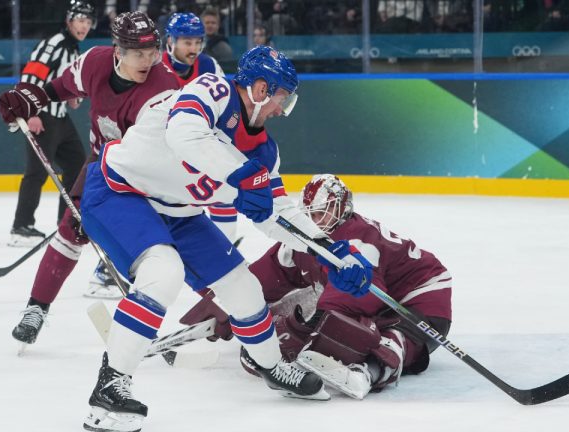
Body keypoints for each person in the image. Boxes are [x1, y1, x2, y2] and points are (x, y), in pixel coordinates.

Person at [76, 46, 374, 431]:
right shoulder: (213, 90)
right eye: (283, 98)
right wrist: (242, 175)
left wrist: (331, 251)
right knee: (162, 271)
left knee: (243, 286)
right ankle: (110, 386)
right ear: (261, 88)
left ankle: (272, 367)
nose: (282, 110)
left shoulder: (265, 152)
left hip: (180, 212)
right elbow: (185, 134)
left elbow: (276, 214)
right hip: (121, 192)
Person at [0, 11, 180, 347]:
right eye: (138, 53)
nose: (148, 60)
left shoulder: (165, 88)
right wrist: (29, 100)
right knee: (71, 228)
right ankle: (36, 309)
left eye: (152, 51)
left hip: (147, 175)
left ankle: (149, 313)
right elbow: (59, 87)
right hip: (101, 164)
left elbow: (158, 156)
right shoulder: (94, 62)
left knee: (149, 248)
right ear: (117, 50)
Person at [182, 174, 453, 400]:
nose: (317, 221)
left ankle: (369, 373)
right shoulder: (302, 240)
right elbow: (262, 278)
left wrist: (309, 329)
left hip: (423, 297)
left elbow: (360, 297)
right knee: (305, 303)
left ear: (343, 209)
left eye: (325, 213)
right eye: (312, 214)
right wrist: (226, 305)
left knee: (394, 337)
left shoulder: (357, 240)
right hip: (381, 303)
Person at [8, 2, 95, 247]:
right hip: (41, 116)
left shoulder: (74, 50)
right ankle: (20, 227)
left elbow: (68, 86)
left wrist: (75, 97)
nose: (84, 26)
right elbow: (30, 77)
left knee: (78, 166)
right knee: (36, 172)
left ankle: (66, 222)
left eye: (88, 22)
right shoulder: (54, 43)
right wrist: (30, 112)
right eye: (80, 20)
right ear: (69, 20)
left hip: (59, 118)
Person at [162, 12, 226, 88]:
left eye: (198, 42)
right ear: (170, 41)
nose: (194, 49)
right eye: (188, 43)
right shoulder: (155, 67)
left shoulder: (209, 65)